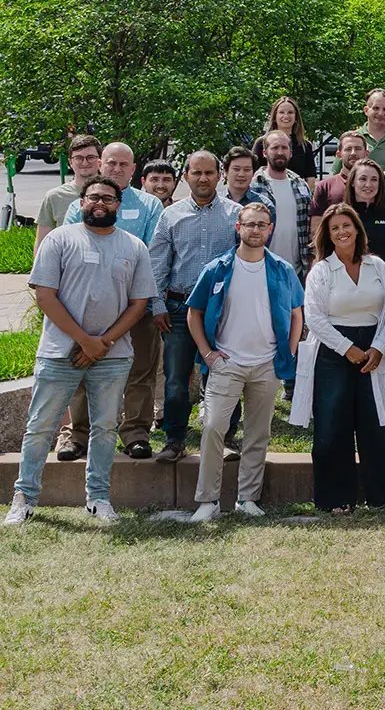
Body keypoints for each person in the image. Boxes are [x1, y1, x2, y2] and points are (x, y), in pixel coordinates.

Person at [7, 178, 155, 527]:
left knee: (105, 428)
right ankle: (24, 498)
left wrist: (101, 343)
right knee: (40, 427)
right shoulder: (60, 239)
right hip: (60, 353)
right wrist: (84, 340)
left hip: (113, 356)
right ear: (82, 201)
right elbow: (45, 296)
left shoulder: (134, 247)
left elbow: (139, 304)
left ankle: (98, 498)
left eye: (107, 198)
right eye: (93, 197)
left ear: (119, 203)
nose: (100, 203)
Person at [184, 202, 305, 522]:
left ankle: (247, 498)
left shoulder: (282, 269)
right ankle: (207, 501)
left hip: (267, 364)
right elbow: (193, 313)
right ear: (238, 228)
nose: (255, 230)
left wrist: (289, 352)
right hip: (226, 363)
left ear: (270, 229)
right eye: (249, 224)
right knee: (212, 427)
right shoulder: (218, 268)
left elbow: (296, 314)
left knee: (258, 432)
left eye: (262, 224)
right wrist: (208, 354)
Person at [56, 143, 163, 464]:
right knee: (80, 367)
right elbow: (68, 249)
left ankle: (136, 433)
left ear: (134, 169)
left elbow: (153, 255)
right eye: (111, 163)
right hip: (87, 306)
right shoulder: (82, 204)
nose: (117, 168)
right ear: (102, 165)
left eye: (124, 164)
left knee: (141, 372)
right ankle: (77, 436)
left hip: (137, 305)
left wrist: (152, 304)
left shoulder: (149, 204)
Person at [298, 204, 385, 514]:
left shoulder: (377, 265)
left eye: (347, 225)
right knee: (332, 424)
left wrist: (379, 347)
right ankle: (336, 499)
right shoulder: (321, 270)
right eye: (334, 228)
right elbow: (314, 318)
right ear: (327, 236)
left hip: (374, 350)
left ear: (357, 229)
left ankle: (383, 496)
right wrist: (347, 349)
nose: (342, 232)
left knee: (378, 422)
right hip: (333, 352)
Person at [146, 152, 242, 464]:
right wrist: (157, 304)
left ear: (220, 175)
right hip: (177, 308)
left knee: (223, 373)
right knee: (176, 377)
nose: (203, 178)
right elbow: (157, 265)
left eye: (209, 173)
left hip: (223, 309)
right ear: (185, 176)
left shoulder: (235, 215)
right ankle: (175, 440)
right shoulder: (170, 216)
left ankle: (224, 439)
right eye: (196, 173)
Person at [250, 130, 312, 273]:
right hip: (262, 268)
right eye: (275, 148)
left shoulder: (301, 185)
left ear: (290, 153)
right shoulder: (253, 185)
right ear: (264, 153)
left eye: (284, 148)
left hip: (296, 270)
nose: (280, 152)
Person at [34, 135, 102, 250]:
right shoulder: (55, 197)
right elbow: (42, 241)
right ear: (70, 162)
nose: (84, 162)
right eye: (78, 158)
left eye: (90, 157)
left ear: (100, 161)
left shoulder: (111, 195)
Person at [346, 158, 385, 271]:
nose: (368, 184)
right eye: (363, 179)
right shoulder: (341, 215)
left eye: (374, 179)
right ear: (352, 182)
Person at [251, 96, 319, 184]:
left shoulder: (305, 145)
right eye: (281, 112)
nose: (286, 116)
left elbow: (310, 179)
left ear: (296, 118)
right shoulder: (261, 143)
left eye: (290, 112)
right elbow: (252, 173)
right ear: (275, 117)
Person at [308, 130, 365, 228]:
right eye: (348, 149)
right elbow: (315, 227)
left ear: (366, 153)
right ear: (338, 154)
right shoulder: (325, 186)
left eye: (358, 148)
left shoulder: (374, 185)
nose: (353, 153)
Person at [336, 88, 385, 171]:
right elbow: (336, 175)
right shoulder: (352, 139)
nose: (380, 113)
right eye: (376, 108)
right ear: (366, 110)